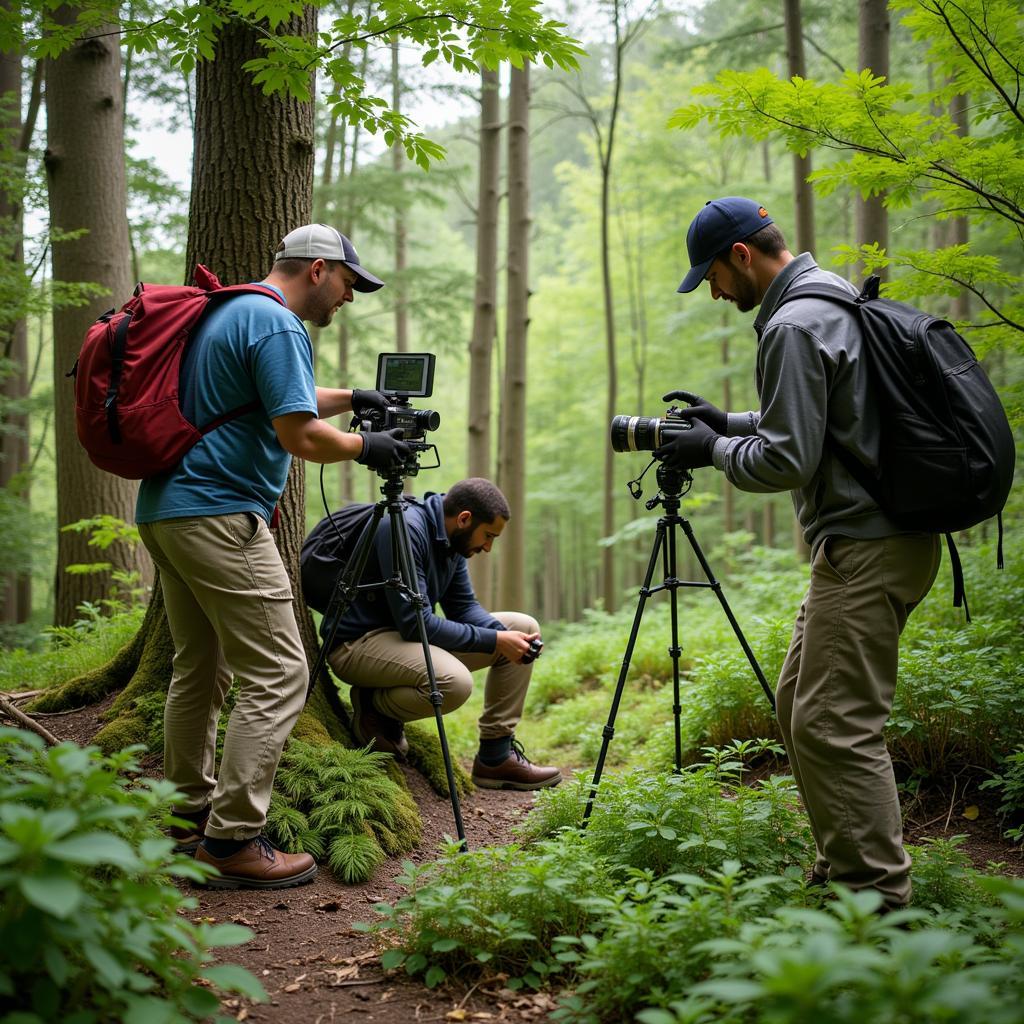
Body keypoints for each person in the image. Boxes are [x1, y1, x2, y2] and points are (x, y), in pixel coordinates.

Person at [657, 197, 941, 910]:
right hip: (892, 538)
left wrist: (714, 449)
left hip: (865, 545)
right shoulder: (835, 295)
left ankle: (876, 903)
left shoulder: (788, 325)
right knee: (798, 704)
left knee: (833, 724)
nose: (717, 294)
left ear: (741, 256)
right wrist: (731, 422)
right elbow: (833, 413)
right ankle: (845, 863)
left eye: (714, 278)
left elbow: (785, 460)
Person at [137, 223, 412, 889]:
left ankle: (183, 816)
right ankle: (232, 840)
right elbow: (300, 435)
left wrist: (354, 398)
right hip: (220, 514)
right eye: (350, 282)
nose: (351, 296)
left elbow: (268, 401)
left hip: (166, 511)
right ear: (318, 270)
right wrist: (369, 445)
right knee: (282, 672)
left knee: (199, 669)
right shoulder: (279, 323)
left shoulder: (231, 311)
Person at [313, 477, 562, 791]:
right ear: (464, 519)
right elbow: (416, 623)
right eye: (488, 536)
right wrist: (496, 641)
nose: (488, 547)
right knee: (454, 683)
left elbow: (464, 607)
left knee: (522, 628)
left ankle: (496, 756)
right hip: (358, 644)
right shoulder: (404, 529)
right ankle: (374, 706)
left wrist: (505, 638)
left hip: (404, 640)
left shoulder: (451, 540)